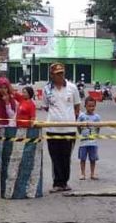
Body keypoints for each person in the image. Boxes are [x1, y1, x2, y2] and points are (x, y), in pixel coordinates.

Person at [43, 63, 81, 192]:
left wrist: (72, 120)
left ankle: (64, 182)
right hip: (52, 128)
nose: (61, 75)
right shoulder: (47, 89)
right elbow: (46, 106)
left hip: (69, 129)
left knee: (66, 156)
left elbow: (77, 106)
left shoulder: (72, 87)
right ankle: (57, 183)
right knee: (55, 157)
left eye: (62, 73)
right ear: (52, 75)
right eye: (57, 73)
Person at [78, 97, 102, 180]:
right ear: (85, 106)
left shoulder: (97, 117)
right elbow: (78, 127)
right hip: (83, 142)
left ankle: (92, 173)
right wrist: (81, 134)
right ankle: (82, 173)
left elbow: (98, 128)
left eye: (93, 106)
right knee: (82, 159)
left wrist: (95, 136)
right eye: (89, 106)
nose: (91, 108)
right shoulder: (82, 116)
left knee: (93, 159)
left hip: (93, 142)